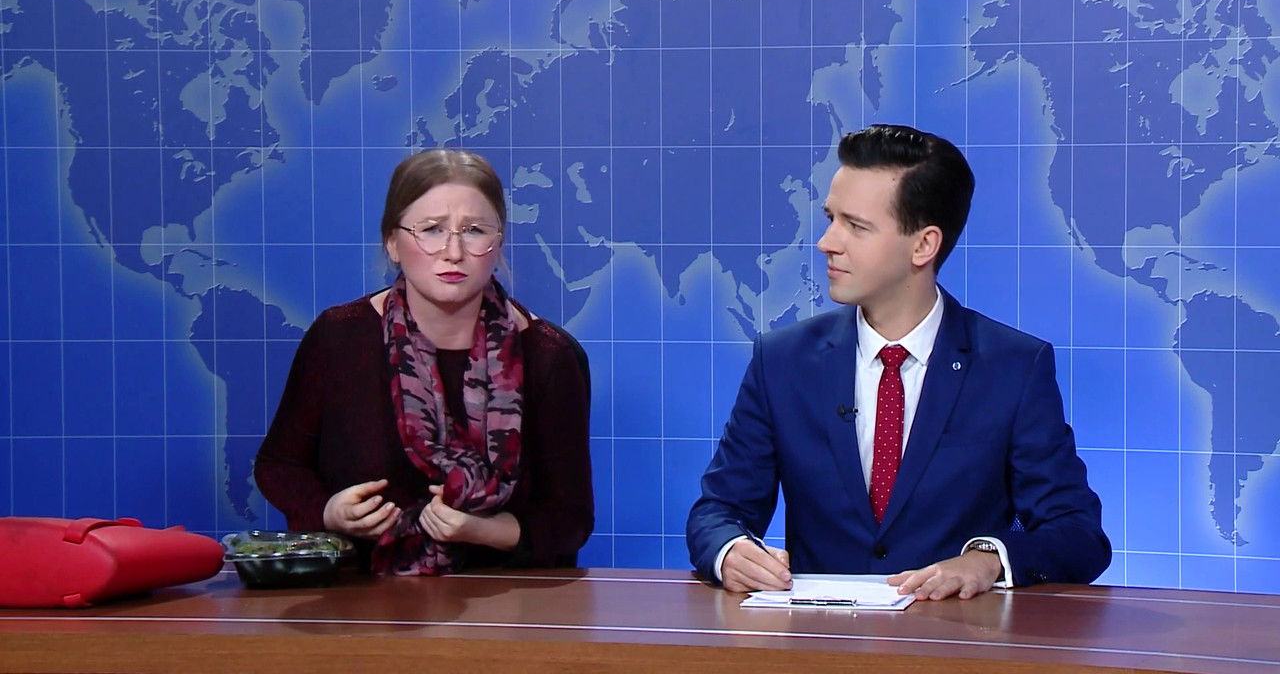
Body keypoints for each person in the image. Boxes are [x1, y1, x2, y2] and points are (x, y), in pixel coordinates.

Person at [686, 124, 1110, 600]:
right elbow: (718, 511)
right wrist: (730, 550)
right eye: (831, 219)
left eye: (856, 226)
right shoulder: (783, 361)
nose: (827, 242)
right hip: (817, 634)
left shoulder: (1012, 367)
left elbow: (1077, 533)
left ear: (923, 245)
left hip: (956, 635)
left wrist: (988, 560)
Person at [255, 148, 593, 575]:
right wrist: (328, 513)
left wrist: (485, 531)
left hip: (501, 597)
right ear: (392, 243)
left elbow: (570, 519)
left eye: (474, 230)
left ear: (498, 244)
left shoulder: (549, 355)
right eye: (431, 230)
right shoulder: (338, 338)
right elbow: (280, 465)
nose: (453, 252)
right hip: (362, 594)